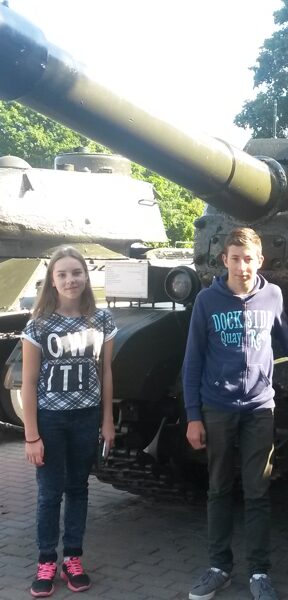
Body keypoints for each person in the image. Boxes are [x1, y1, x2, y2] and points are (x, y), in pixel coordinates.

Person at [183, 227, 288, 600]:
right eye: (235, 258)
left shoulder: (272, 295)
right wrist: (193, 415)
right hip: (217, 407)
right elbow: (193, 360)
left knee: (258, 490)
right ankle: (219, 567)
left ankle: (259, 572)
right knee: (218, 487)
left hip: (259, 407)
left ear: (260, 260)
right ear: (224, 260)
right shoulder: (207, 301)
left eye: (248, 259)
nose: (242, 266)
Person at [22, 246, 117, 598]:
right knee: (50, 492)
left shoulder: (101, 320)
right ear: (52, 280)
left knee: (78, 488)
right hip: (50, 419)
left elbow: (105, 372)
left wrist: (107, 420)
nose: (70, 280)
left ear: (86, 276)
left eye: (76, 272)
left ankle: (72, 559)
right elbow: (28, 382)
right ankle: (46, 560)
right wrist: (32, 436)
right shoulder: (38, 324)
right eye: (61, 274)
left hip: (86, 417)